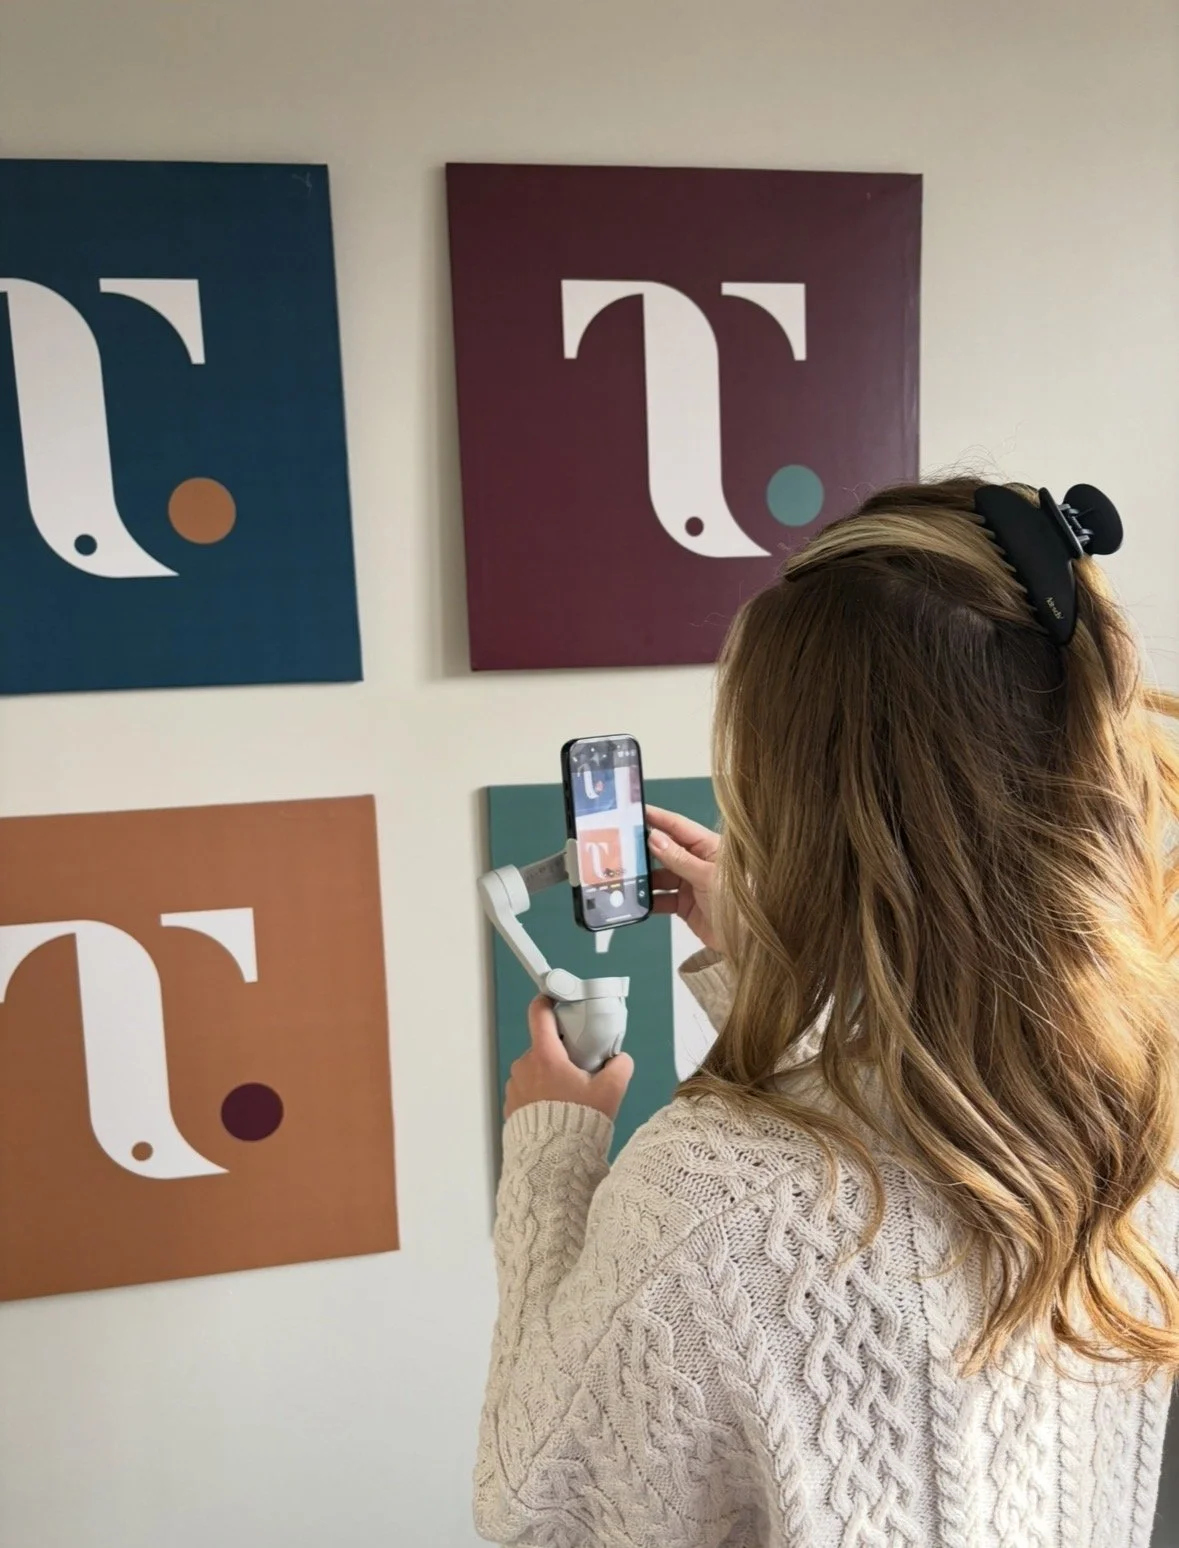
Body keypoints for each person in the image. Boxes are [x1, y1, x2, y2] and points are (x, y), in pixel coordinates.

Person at [473, 478, 1179, 1548]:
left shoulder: (707, 1201)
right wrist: (759, 974)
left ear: (799, 812)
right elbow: (900, 1146)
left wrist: (550, 1154)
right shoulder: (1141, 1096)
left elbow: (532, 1502)